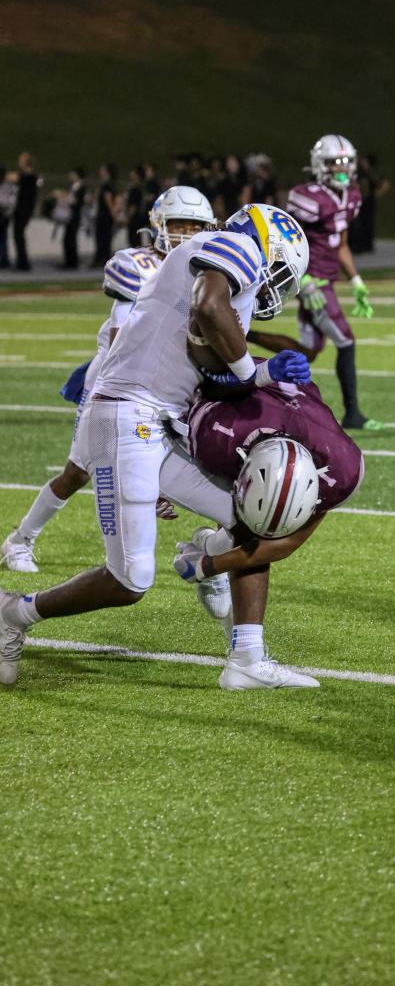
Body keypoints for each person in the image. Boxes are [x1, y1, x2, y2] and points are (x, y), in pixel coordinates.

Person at [0, 203, 312, 692]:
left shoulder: (219, 273)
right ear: (269, 248)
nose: (277, 287)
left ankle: (246, 657)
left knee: (255, 517)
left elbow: (206, 361)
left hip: (158, 422)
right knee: (130, 580)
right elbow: (209, 307)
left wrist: (263, 373)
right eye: (282, 273)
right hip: (128, 416)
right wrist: (252, 371)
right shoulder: (234, 247)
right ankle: (13, 613)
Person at [1, 187, 216, 574]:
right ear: (158, 225)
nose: (186, 234)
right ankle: (20, 540)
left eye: (194, 226)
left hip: (168, 382)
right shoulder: (137, 265)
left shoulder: (205, 271)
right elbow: (121, 339)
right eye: (179, 224)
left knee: (205, 455)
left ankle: (213, 554)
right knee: (78, 472)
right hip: (116, 379)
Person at [156, 375, 365, 674]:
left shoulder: (342, 472)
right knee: (239, 519)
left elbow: (285, 544)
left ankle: (211, 549)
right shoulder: (214, 433)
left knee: (259, 525)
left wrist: (206, 565)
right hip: (216, 397)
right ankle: (246, 655)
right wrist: (146, 486)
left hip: (290, 416)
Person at [247, 134, 381, 431]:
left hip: (327, 280)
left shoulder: (352, 195)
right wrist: (303, 279)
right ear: (320, 165)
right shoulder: (307, 197)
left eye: (346, 162)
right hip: (312, 282)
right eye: (335, 163)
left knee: (308, 351)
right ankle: (353, 413)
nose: (342, 168)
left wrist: (356, 280)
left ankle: (245, 333)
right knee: (346, 341)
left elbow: (341, 244)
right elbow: (283, 239)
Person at [349, 153, 390, 254]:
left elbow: (383, 183)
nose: (363, 163)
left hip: (368, 201)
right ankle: (357, 244)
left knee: (367, 223)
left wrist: (376, 195)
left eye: (365, 161)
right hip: (358, 201)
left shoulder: (371, 173)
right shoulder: (359, 173)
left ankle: (366, 245)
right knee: (357, 223)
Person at [13, 152, 39, 272]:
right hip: (23, 210)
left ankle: (23, 262)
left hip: (23, 210)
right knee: (18, 236)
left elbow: (15, 177)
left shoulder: (29, 176)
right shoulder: (28, 176)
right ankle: (22, 261)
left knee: (18, 235)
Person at [91, 162, 118, 267]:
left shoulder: (107, 185)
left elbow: (109, 200)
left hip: (104, 216)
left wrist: (113, 214)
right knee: (103, 238)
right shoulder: (108, 184)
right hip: (104, 215)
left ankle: (102, 259)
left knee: (103, 238)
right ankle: (101, 258)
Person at [61, 168, 87, 269]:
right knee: (68, 238)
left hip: (74, 215)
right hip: (71, 214)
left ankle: (72, 262)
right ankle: (69, 261)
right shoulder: (74, 186)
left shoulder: (80, 187)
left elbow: (76, 201)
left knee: (71, 238)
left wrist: (65, 197)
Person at [0, 166, 18, 269]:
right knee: (3, 237)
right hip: (5, 213)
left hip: (4, 213)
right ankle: (4, 259)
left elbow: (12, 200)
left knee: (3, 237)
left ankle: (4, 259)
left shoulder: (9, 185)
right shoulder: (10, 185)